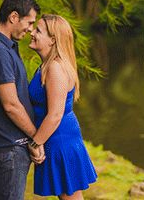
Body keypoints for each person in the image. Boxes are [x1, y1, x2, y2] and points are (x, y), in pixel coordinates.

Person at [0, 0, 46, 200]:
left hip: (15, 145)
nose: (31, 29)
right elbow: (11, 105)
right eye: (29, 22)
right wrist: (36, 138)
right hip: (10, 145)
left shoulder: (7, 47)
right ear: (14, 17)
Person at [28, 14, 98, 199]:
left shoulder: (55, 68)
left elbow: (55, 115)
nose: (31, 32)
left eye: (38, 30)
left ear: (52, 40)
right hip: (55, 138)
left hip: (61, 140)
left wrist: (35, 143)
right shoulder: (45, 66)